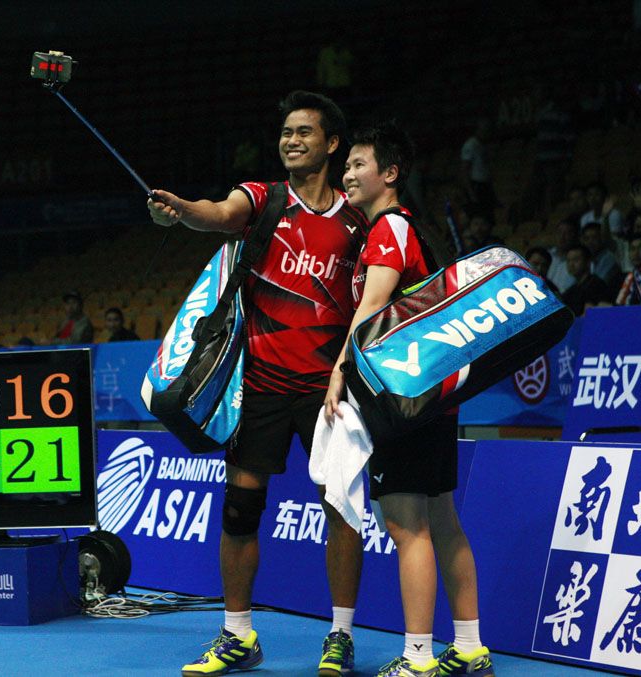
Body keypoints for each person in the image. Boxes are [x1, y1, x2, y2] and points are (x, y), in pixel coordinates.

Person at [148, 90, 369, 677]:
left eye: (304, 132)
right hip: (264, 384)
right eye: (286, 131)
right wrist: (183, 209)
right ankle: (237, 633)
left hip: (331, 390)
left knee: (340, 509)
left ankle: (341, 636)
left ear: (332, 143)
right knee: (241, 510)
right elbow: (218, 214)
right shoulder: (263, 199)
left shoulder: (358, 218)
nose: (291, 140)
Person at [325, 120, 494, 677]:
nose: (347, 174)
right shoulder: (403, 227)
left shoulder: (389, 229)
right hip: (431, 397)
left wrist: (339, 371)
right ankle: (468, 646)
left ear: (390, 174)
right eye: (345, 165)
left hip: (407, 400)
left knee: (406, 525)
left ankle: (417, 658)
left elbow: (372, 311)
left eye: (357, 165)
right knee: (441, 519)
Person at [460, 119, 497, 223]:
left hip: (485, 186)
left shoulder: (484, 145)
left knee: (487, 217)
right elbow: (465, 169)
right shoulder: (471, 145)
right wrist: (470, 192)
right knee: (477, 216)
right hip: (476, 186)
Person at [561, 245, 612, 316]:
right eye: (568, 261)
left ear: (588, 262)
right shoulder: (571, 291)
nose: (571, 264)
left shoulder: (597, 285)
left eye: (576, 260)